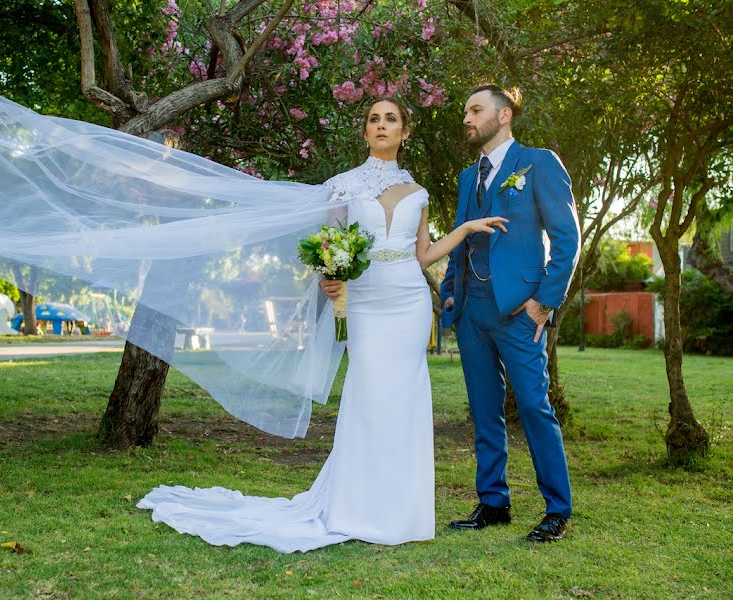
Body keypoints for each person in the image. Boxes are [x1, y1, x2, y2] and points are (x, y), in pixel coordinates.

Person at [138, 98, 507, 552]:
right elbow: (330, 250)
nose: (381, 125)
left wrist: (466, 228)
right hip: (367, 302)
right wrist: (330, 278)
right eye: (374, 119)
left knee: (405, 397)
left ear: (405, 131)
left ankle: (402, 510)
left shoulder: (419, 192)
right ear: (366, 132)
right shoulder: (343, 187)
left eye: (390, 119)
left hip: (409, 301)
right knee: (370, 391)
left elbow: (423, 256)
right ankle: (358, 506)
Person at [440, 85, 581, 543]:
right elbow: (459, 244)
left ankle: (557, 509)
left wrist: (544, 302)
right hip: (471, 312)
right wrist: (448, 293)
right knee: (484, 411)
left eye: (475, 109)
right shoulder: (467, 178)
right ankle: (493, 502)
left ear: (503, 116)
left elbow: (567, 239)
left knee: (535, 408)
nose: (467, 117)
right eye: (465, 110)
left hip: (521, 311)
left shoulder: (538, 163)